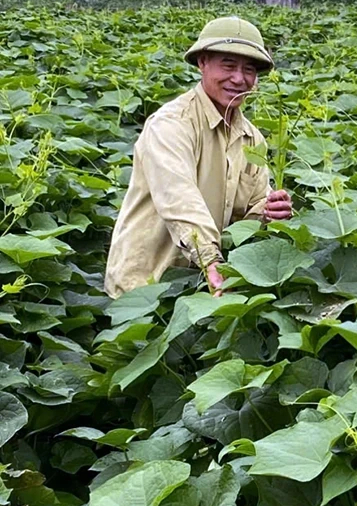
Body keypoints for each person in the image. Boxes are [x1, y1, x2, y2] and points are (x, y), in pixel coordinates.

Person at [104, 16, 293, 299]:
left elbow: (249, 212)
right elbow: (178, 198)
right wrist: (210, 260)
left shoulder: (252, 139)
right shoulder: (171, 125)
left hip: (203, 284)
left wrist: (268, 212)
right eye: (228, 65)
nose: (239, 78)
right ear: (202, 62)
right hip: (144, 288)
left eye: (249, 69)